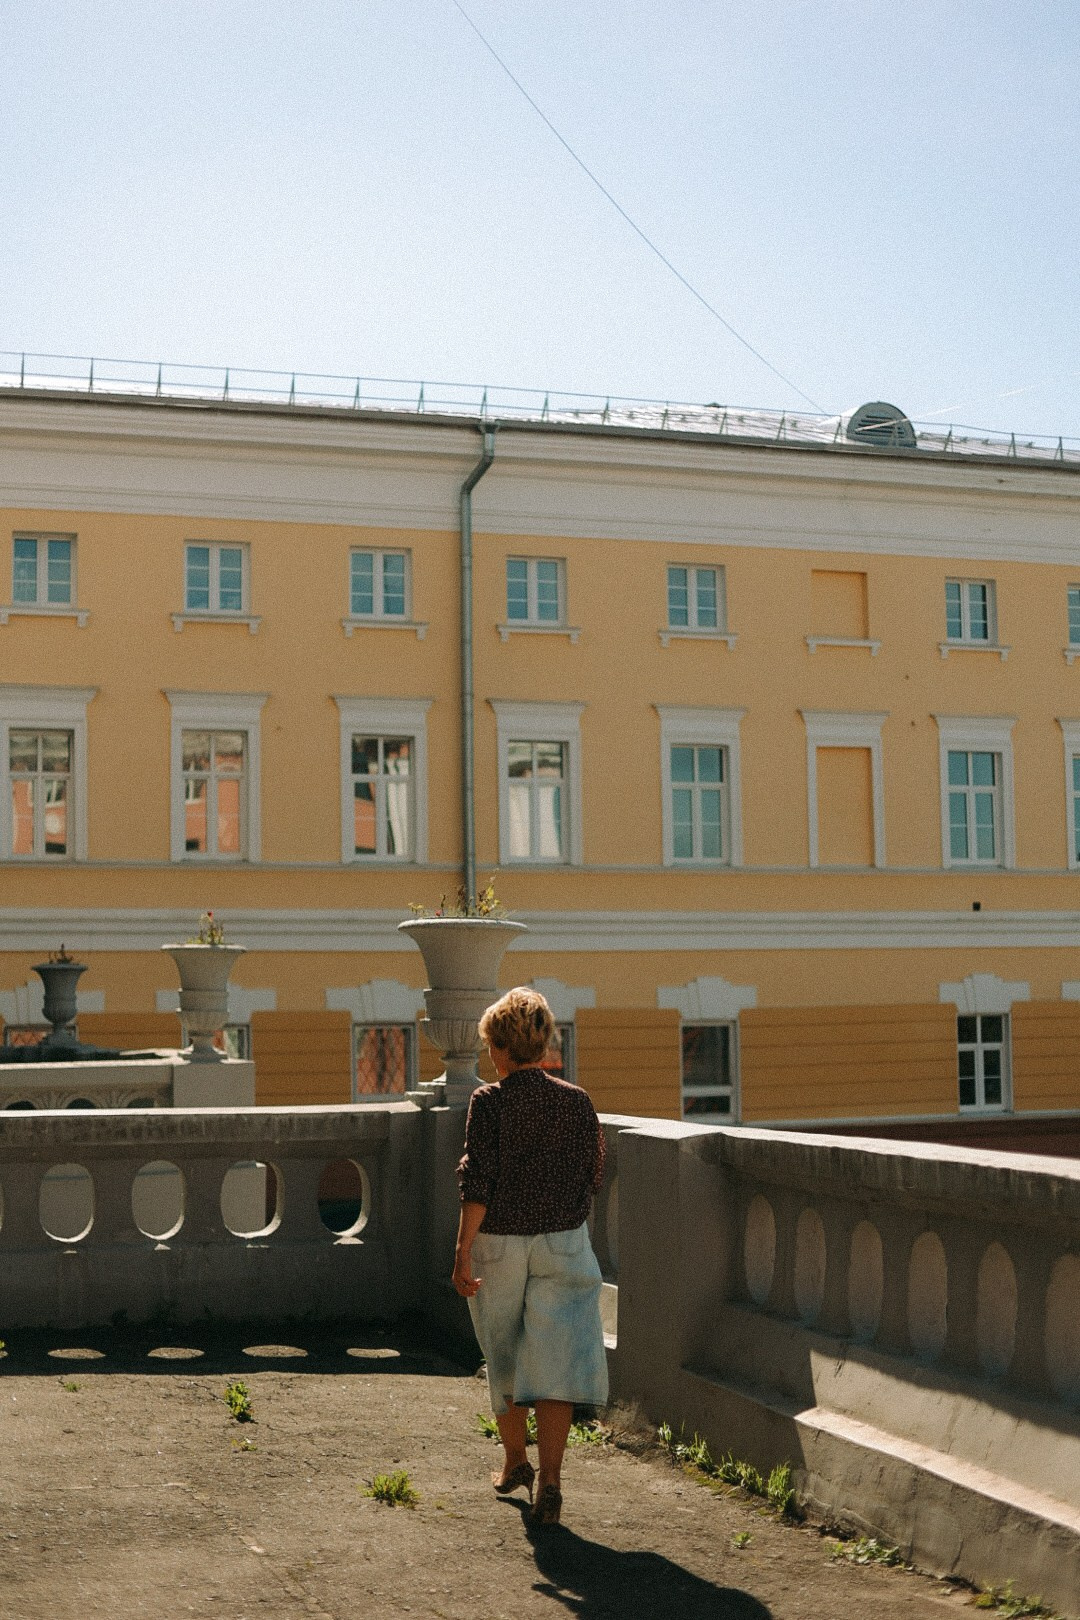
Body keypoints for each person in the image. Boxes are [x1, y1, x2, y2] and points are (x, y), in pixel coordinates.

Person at [453, 986, 608, 1528]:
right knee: (557, 1364)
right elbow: (592, 1171)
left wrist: (462, 1250)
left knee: (506, 1354)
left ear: (499, 1048)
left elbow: (479, 1183)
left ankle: (515, 1459)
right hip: (564, 1240)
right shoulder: (577, 1101)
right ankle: (552, 1480)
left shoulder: (489, 1103)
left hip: (499, 1243)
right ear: (542, 1045)